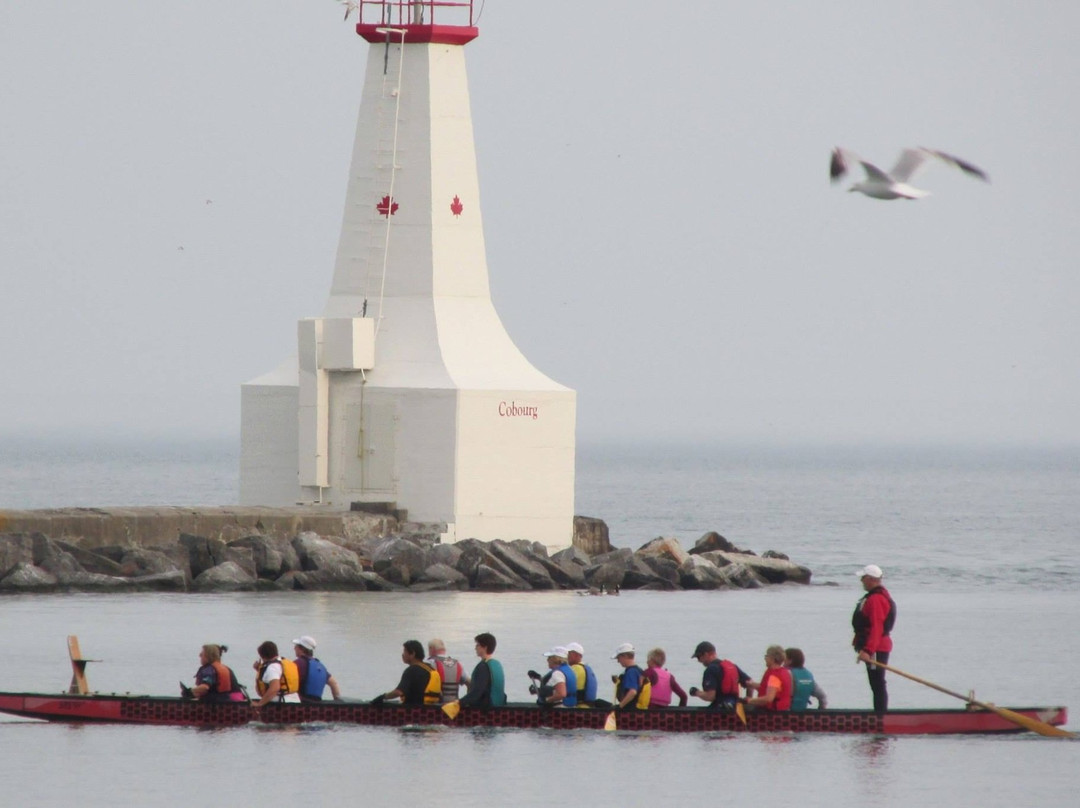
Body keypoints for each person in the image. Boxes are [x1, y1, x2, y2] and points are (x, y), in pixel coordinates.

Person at [852, 563, 896, 714]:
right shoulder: (874, 597)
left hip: (877, 647)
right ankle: (880, 713)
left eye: (863, 578)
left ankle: (881, 716)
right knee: (876, 683)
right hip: (876, 645)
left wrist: (868, 650)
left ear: (871, 579)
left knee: (877, 683)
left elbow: (877, 627)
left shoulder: (876, 599)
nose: (861, 581)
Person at [373, 640, 441, 706]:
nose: (402, 655)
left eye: (405, 651)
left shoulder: (411, 670)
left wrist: (382, 697)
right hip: (430, 709)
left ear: (413, 654)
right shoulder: (430, 668)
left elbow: (398, 692)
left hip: (413, 711)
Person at [689, 641, 753, 710]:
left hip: (720, 710)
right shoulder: (731, 666)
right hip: (735, 706)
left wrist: (696, 692)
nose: (699, 661)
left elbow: (710, 696)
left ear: (706, 654)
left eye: (699, 657)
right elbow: (750, 685)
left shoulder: (710, 670)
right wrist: (747, 701)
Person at [456, 632, 506, 708]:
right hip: (498, 707)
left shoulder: (483, 666)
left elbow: (477, 692)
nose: (475, 648)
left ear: (485, 647)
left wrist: (459, 702)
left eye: (477, 645)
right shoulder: (496, 664)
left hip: (485, 710)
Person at [252, 641, 301, 708]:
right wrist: (258, 670)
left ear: (263, 656)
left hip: (281, 704)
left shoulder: (272, 667)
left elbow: (275, 688)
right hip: (295, 701)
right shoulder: (284, 662)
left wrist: (260, 704)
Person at [292, 635, 342, 702]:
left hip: (300, 705)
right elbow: (334, 684)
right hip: (317, 705)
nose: (294, 648)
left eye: (296, 646)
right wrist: (337, 703)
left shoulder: (297, 664)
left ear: (302, 648)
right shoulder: (321, 666)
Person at [746, 645, 793, 711]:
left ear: (772, 659)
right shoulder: (785, 672)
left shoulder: (774, 677)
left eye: (766, 656)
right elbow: (767, 688)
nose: (765, 658)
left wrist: (749, 700)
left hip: (771, 712)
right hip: (784, 709)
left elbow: (769, 699)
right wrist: (751, 684)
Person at [427, 638, 470, 704]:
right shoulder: (457, 664)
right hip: (454, 706)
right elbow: (469, 683)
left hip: (436, 707)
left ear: (431, 649)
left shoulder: (431, 663)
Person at [611, 643, 651, 710]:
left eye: (618, 658)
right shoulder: (639, 670)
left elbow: (633, 692)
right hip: (637, 708)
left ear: (625, 656)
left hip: (630, 709)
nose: (618, 661)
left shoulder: (631, 672)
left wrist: (620, 707)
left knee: (598, 702)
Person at [565, 642, 598, 706]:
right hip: (587, 706)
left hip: (578, 707)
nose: (566, 656)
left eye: (568, 653)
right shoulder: (586, 667)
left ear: (577, 655)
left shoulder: (576, 668)